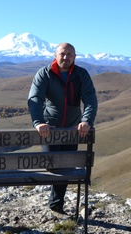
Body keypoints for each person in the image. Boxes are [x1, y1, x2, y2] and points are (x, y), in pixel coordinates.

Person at [28, 43, 98, 219]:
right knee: (54, 166)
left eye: (69, 54)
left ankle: (56, 207)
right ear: (55, 55)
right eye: (62, 54)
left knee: (66, 166)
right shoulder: (45, 74)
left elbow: (90, 99)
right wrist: (39, 122)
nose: (65, 57)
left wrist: (86, 120)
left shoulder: (81, 74)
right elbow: (35, 98)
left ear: (74, 57)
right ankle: (54, 204)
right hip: (50, 129)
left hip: (72, 129)